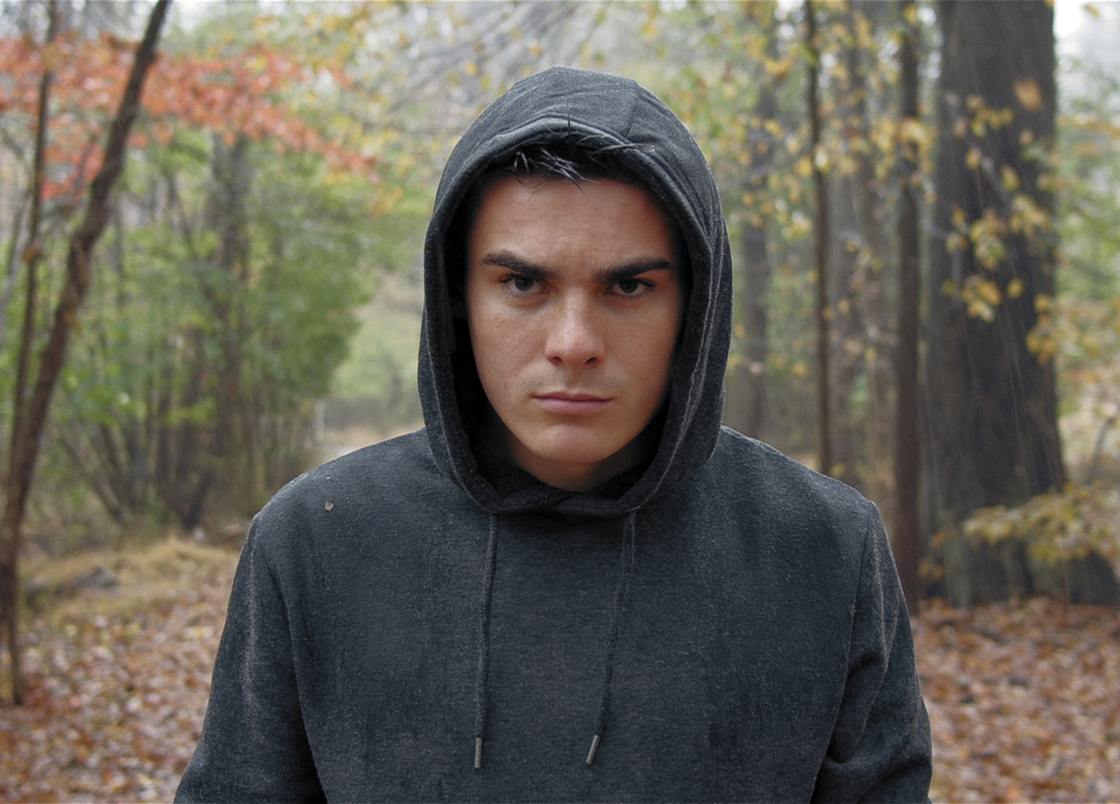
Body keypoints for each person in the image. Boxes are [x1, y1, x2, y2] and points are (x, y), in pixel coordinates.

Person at [175, 66, 932, 802]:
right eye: (523, 283)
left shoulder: (825, 550)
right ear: (458, 295)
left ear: (694, 305)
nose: (574, 344)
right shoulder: (314, 542)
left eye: (629, 285)